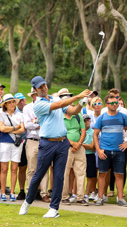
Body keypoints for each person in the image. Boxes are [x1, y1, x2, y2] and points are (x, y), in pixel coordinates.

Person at [19, 76, 89, 218]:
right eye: (40, 87)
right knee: (38, 174)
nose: (44, 88)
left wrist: (81, 103)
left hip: (63, 143)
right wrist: (78, 95)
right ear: (35, 90)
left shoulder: (56, 99)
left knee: (59, 176)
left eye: (44, 85)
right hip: (47, 143)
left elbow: (73, 111)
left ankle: (54, 208)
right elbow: (57, 106)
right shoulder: (38, 105)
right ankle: (28, 201)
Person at [93, 92, 127, 207]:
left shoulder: (122, 116)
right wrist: (98, 149)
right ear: (106, 104)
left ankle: (120, 198)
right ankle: (100, 197)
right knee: (102, 174)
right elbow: (95, 134)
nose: (115, 104)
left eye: (116, 102)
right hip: (105, 151)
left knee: (119, 174)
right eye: (112, 103)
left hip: (119, 151)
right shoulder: (102, 118)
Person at [60, 89, 88, 206]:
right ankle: (64, 196)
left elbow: (83, 130)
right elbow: (61, 133)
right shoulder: (60, 116)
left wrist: (79, 144)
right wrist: (72, 143)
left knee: (81, 172)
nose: (70, 103)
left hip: (79, 147)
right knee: (65, 172)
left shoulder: (77, 116)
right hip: (66, 147)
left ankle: (80, 197)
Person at [0, 94, 25, 201]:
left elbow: (22, 129)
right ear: (5, 104)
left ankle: (13, 192)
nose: (12, 104)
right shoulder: (2, 114)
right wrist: (15, 127)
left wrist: (10, 129)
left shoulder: (20, 114)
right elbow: (2, 129)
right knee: (4, 168)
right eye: (9, 102)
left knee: (14, 168)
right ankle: (3, 192)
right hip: (5, 142)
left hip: (17, 143)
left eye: (13, 102)